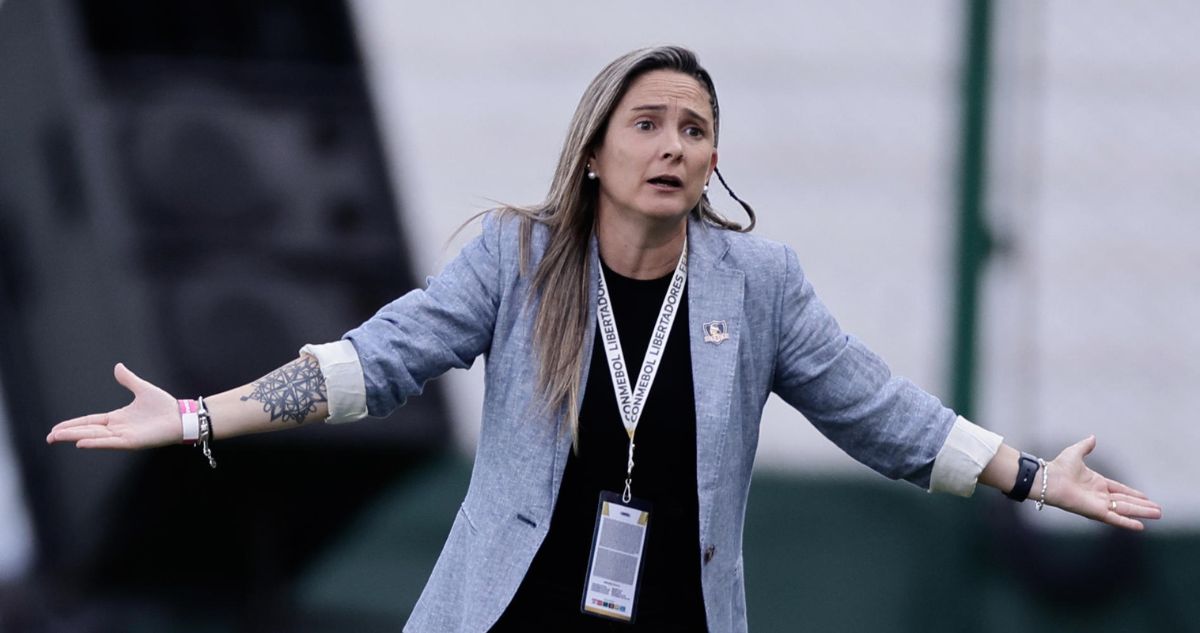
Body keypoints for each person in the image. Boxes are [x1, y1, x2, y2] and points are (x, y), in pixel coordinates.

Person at [46, 46, 1161, 632]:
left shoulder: (758, 284)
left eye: (697, 128)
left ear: (713, 159)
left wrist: (1026, 476)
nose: (675, 144)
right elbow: (368, 365)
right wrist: (197, 416)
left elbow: (879, 412)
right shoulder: (515, 260)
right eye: (649, 122)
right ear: (595, 151)